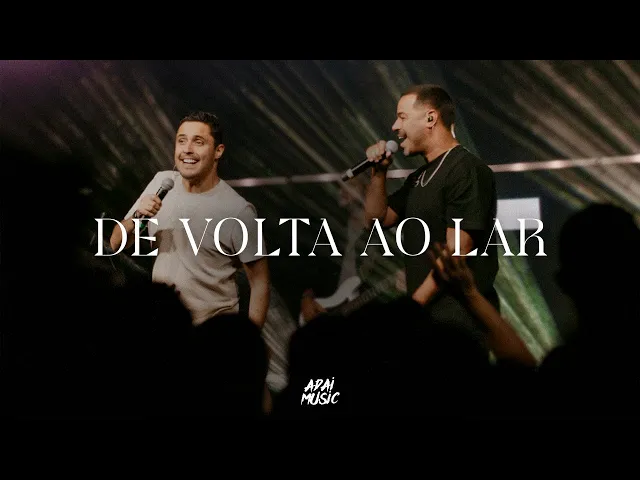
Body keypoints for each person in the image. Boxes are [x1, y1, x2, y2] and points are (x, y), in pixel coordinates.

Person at [363, 84, 499, 352]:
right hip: (427, 323)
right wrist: (379, 174)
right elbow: (376, 220)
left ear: (430, 118)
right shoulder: (418, 178)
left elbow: (456, 251)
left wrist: (413, 306)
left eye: (402, 117)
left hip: (458, 326)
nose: (394, 126)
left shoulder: (465, 169)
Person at [109, 111, 270, 328]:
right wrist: (137, 217)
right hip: (162, 327)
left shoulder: (238, 210)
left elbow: (259, 282)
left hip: (209, 335)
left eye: (198, 142)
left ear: (218, 151)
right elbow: (116, 243)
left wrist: (249, 340)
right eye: (182, 141)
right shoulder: (162, 183)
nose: (187, 149)